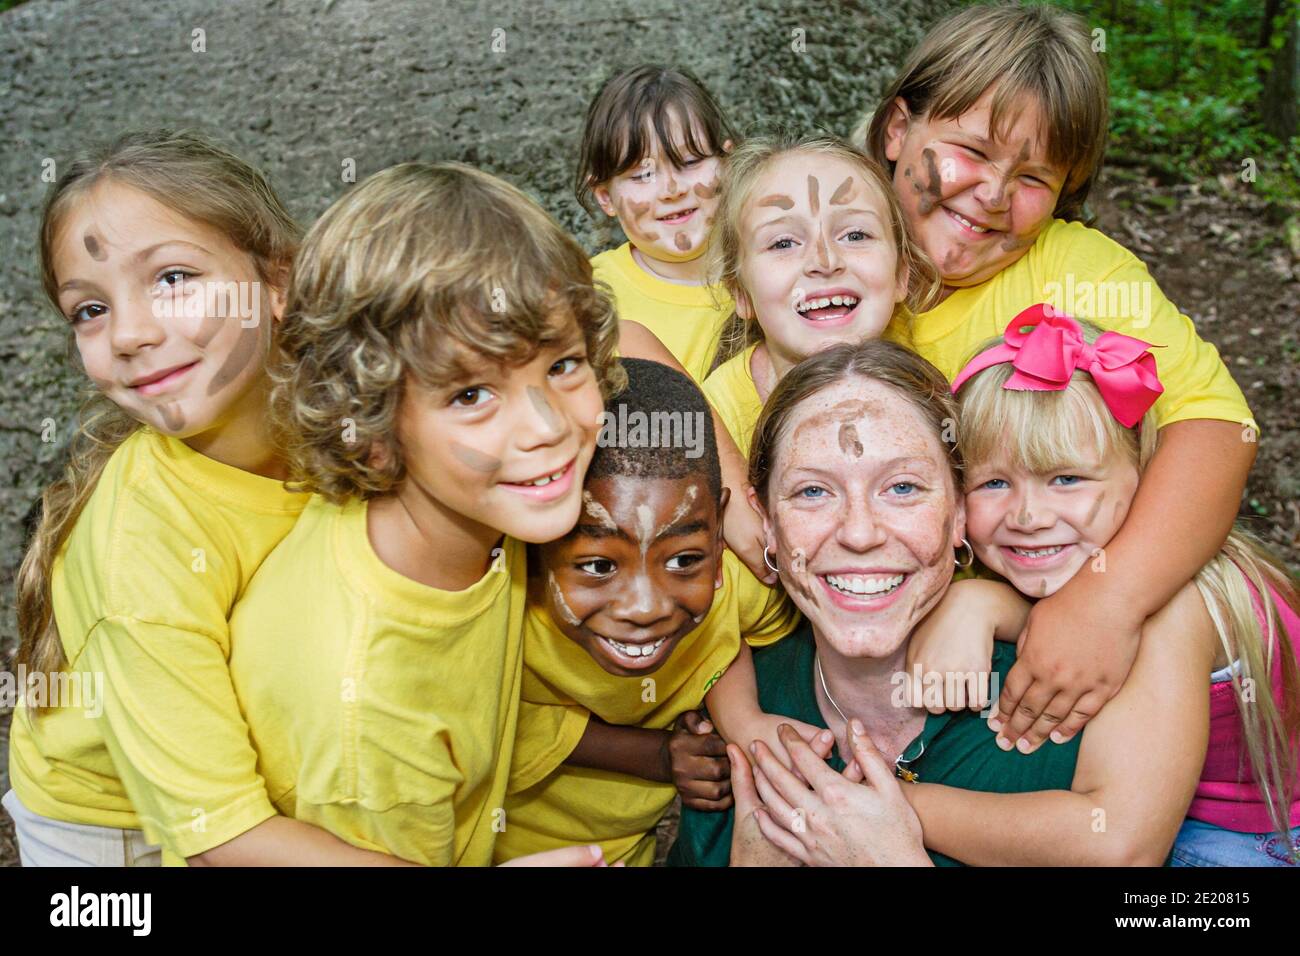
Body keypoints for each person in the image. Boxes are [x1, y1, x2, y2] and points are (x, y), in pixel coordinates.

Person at [857, 2, 1258, 752]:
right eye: (971, 150)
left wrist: (1107, 603)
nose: (994, 195)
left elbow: (1218, 429)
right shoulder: (819, 259)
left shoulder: (1074, 269)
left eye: (1033, 176)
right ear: (897, 130)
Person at [215, 162, 622, 866]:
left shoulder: (458, 522)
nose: (546, 426)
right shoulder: (374, 716)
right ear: (372, 431)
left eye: (562, 365)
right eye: (471, 395)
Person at [5, 129, 310, 866]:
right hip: (114, 835)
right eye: (90, 310)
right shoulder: (141, 545)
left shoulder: (359, 428)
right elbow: (223, 839)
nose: (131, 335)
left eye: (172, 278)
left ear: (278, 280)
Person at [669, 339, 1085, 867]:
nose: (860, 533)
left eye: (903, 487)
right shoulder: (736, 723)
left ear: (960, 513)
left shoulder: (1065, 696)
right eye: (814, 492)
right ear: (767, 522)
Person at [494, 358, 798, 866]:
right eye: (597, 565)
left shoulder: (735, 579)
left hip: (629, 846)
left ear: (719, 528)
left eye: (681, 560)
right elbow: (508, 723)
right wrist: (658, 755)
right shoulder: (504, 607)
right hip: (502, 844)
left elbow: (731, 641)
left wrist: (742, 718)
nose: (645, 607)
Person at [577, 64, 736, 383]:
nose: (672, 189)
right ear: (605, 196)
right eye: (642, 175)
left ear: (728, 164)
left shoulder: (777, 263)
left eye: (690, 162)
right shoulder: (588, 297)